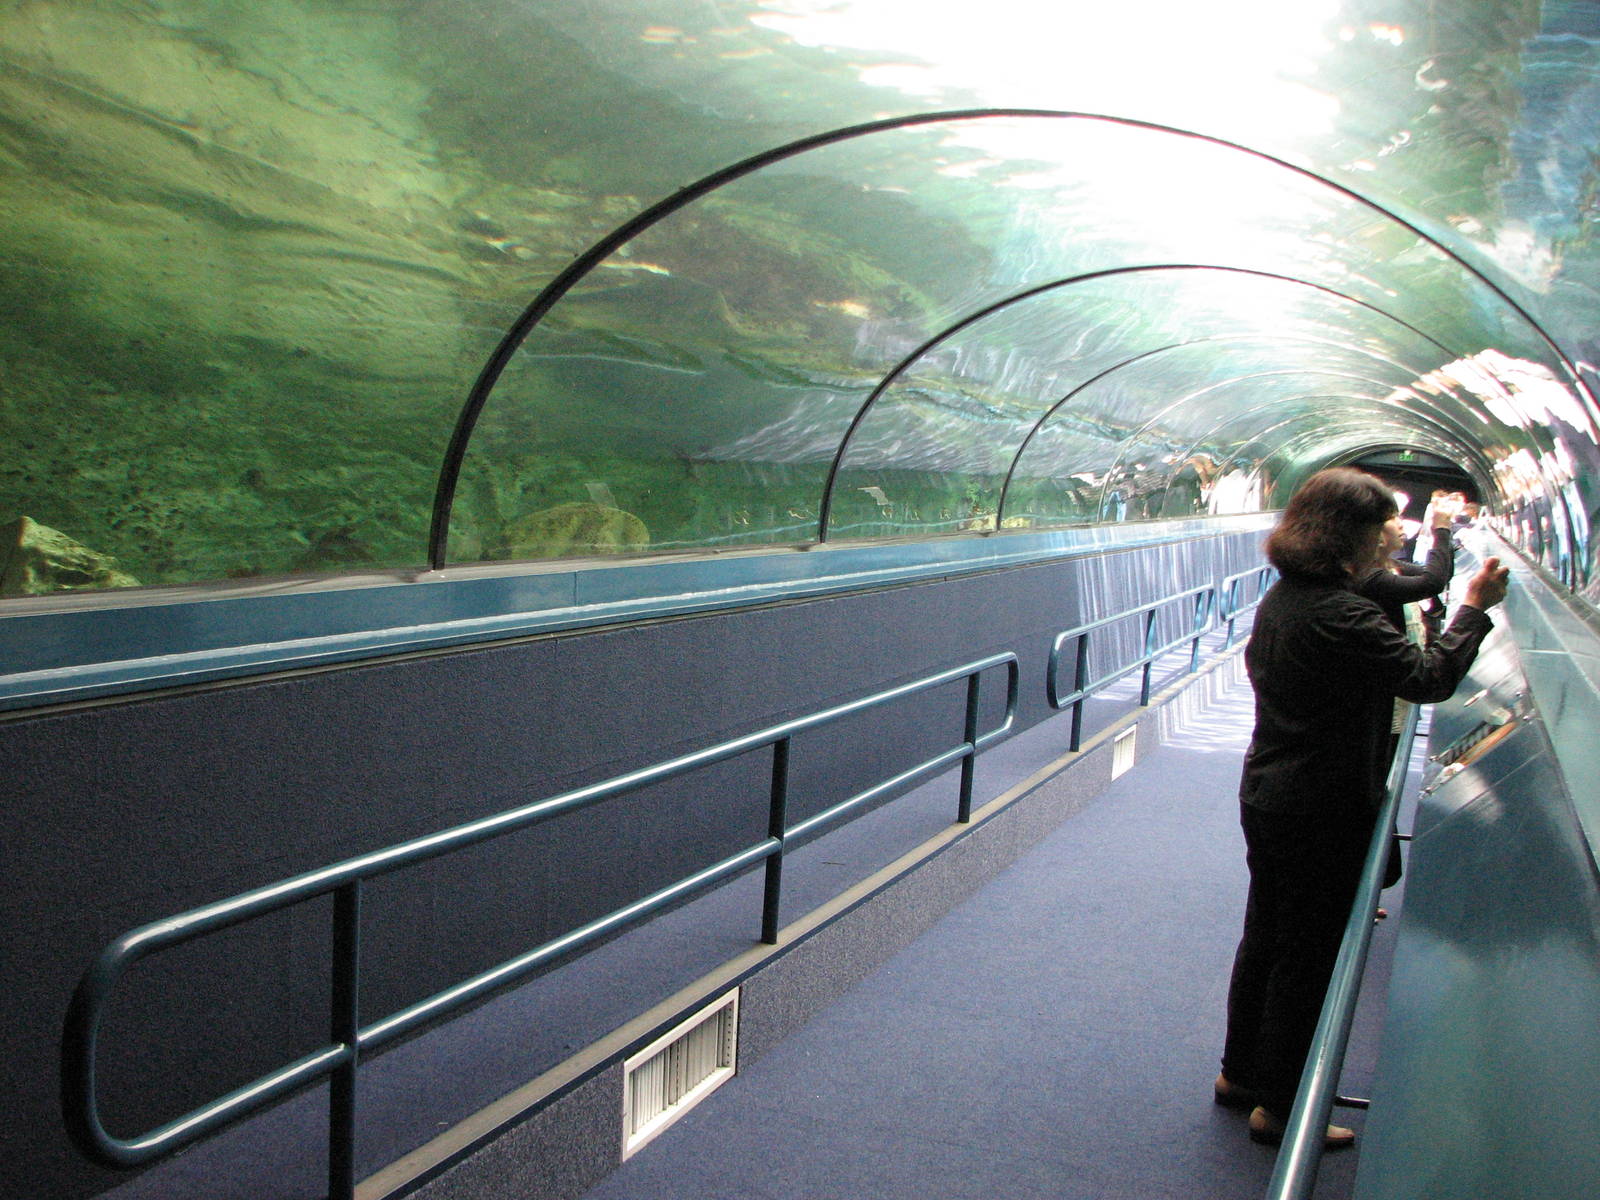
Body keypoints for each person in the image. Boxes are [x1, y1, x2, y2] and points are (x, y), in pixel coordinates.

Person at [1213, 468, 1508, 1148]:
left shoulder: (1288, 596)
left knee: (1267, 936)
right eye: (1382, 525)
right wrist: (1473, 608)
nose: (1391, 535)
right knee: (1308, 956)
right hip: (1322, 806)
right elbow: (1428, 678)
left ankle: (1241, 1074)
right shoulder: (1342, 614)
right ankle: (1282, 1109)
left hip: (1270, 791)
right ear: (1352, 534)